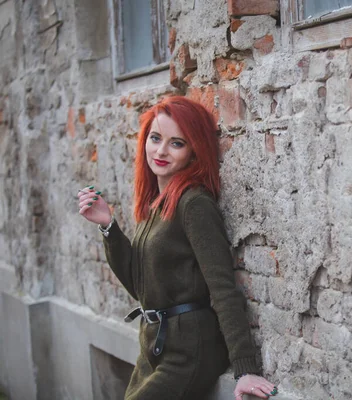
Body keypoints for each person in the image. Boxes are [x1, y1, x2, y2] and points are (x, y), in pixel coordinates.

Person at [77, 96, 277, 399]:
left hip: (190, 348)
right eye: (155, 138)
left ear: (194, 151)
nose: (161, 151)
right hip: (156, 344)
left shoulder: (194, 204)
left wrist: (245, 367)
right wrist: (109, 227)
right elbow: (141, 288)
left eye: (177, 143)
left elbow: (222, 287)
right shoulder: (155, 207)